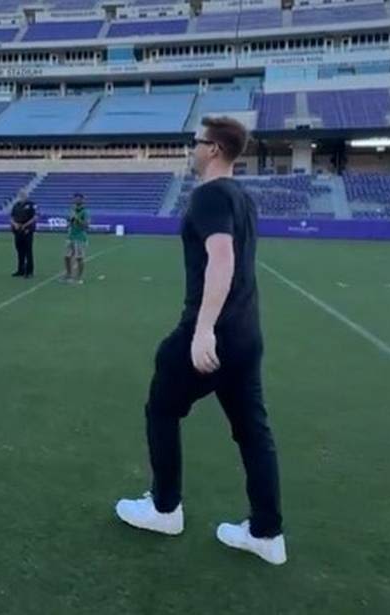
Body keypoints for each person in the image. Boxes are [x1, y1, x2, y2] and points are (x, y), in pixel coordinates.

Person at [114, 116, 286, 565]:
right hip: (248, 334)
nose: (191, 148)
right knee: (253, 432)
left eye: (196, 142)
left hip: (217, 332)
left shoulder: (210, 194)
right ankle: (267, 533)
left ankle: (164, 507)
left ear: (212, 150)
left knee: (162, 407)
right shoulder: (243, 198)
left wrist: (204, 328)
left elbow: (222, 257)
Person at [62, 193, 89, 285]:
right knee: (66, 257)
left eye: (78, 199)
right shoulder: (72, 210)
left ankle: (79, 277)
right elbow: (69, 221)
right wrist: (68, 223)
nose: (76, 200)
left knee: (79, 258)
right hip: (71, 236)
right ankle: (68, 275)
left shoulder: (85, 212)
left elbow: (86, 226)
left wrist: (77, 218)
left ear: (82, 200)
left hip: (80, 237)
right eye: (75, 199)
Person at [10, 190, 38, 278]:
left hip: (27, 230)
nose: (22, 196)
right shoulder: (16, 205)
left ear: (27, 195)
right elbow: (11, 217)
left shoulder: (31, 205)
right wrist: (15, 224)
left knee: (28, 251)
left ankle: (29, 271)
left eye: (23, 194)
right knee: (19, 251)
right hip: (17, 231)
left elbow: (35, 217)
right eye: (20, 195)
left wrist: (24, 225)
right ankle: (20, 270)